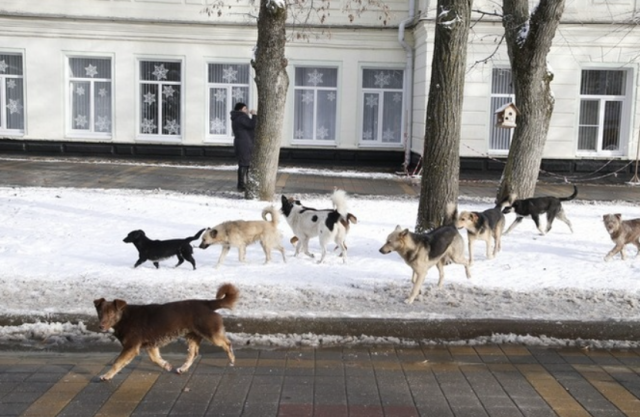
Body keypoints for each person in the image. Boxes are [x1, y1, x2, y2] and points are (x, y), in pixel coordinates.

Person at [230, 102, 257, 191]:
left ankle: (243, 184)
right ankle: (241, 185)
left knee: (244, 164)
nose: (247, 110)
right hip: (244, 144)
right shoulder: (241, 117)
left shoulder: (237, 117)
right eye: (245, 108)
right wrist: (254, 115)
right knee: (244, 164)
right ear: (240, 110)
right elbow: (252, 125)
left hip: (242, 143)